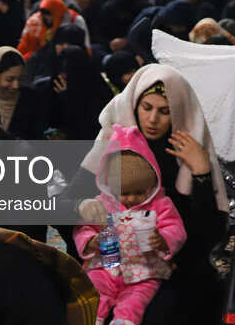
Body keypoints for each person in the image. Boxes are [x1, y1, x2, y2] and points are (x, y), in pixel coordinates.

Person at [65, 64, 229, 325]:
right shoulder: (112, 142)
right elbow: (62, 204)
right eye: (147, 107)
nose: (153, 120)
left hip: (170, 266)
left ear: (178, 113)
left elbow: (208, 234)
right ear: (133, 105)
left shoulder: (188, 151)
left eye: (164, 112)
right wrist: (82, 207)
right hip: (109, 263)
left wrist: (201, 175)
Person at [74, 125, 187, 325]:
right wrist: (90, 241)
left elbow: (175, 227)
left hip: (144, 271)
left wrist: (163, 239)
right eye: (125, 193)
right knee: (93, 294)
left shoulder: (160, 204)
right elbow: (84, 228)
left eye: (140, 192)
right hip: (105, 267)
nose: (133, 198)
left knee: (134, 304)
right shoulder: (102, 203)